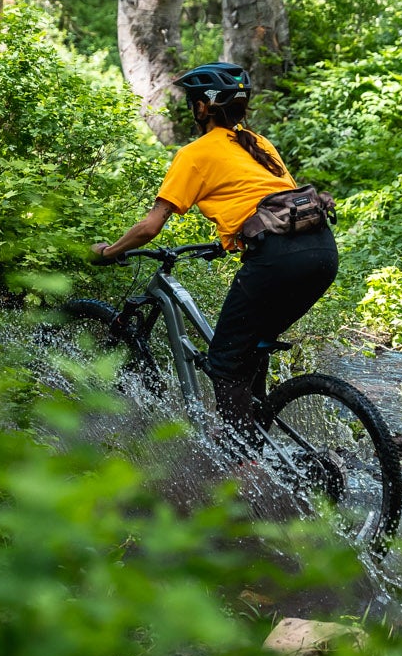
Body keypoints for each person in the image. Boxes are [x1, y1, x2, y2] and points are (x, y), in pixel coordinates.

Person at [90, 62, 338, 422]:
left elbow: (149, 227)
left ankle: (238, 453)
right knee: (250, 347)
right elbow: (270, 201)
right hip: (321, 251)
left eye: (192, 102)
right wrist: (230, 239)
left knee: (224, 362)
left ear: (202, 107)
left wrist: (108, 251)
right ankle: (257, 432)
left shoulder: (195, 154)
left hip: (277, 259)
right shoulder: (259, 143)